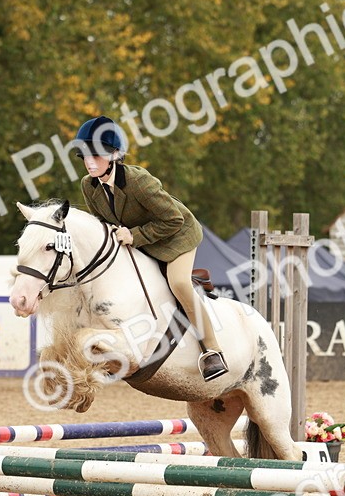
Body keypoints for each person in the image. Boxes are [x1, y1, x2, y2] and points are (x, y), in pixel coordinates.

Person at [72, 115, 228, 381]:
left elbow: (173, 219)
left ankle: (212, 351)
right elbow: (103, 223)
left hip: (176, 236)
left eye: (95, 156)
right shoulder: (89, 186)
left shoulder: (139, 182)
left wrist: (134, 235)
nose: (89, 162)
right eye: (85, 156)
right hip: (139, 239)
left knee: (178, 284)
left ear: (114, 155)